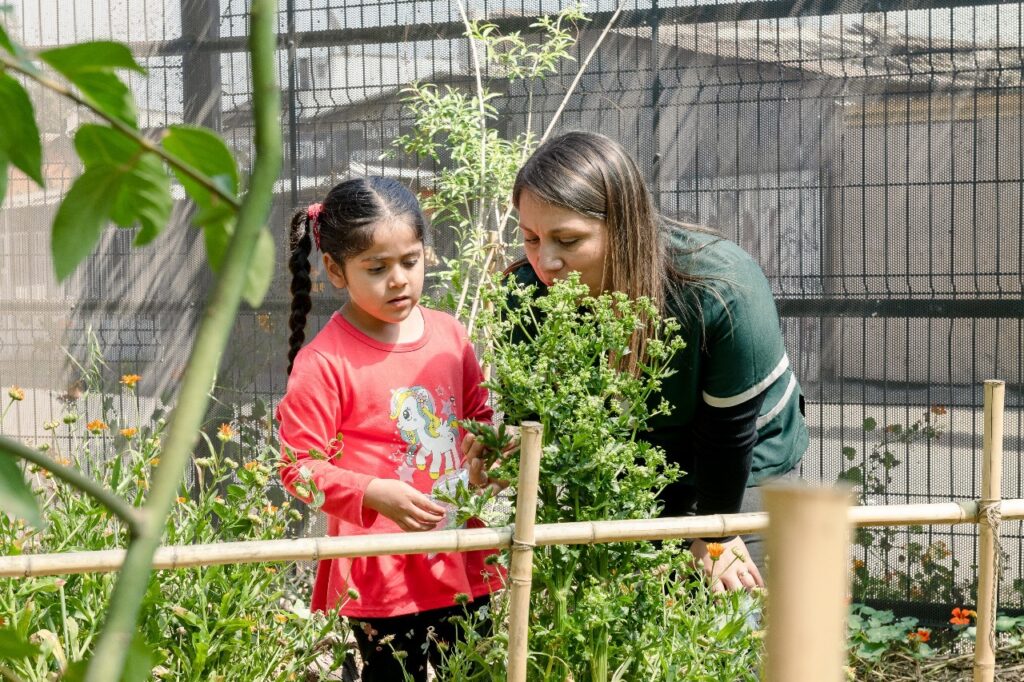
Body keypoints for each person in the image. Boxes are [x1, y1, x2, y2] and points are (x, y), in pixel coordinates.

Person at [469, 131, 808, 593]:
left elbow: (729, 434)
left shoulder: (719, 289)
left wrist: (717, 535)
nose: (545, 261)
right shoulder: (525, 298)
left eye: (568, 240)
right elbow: (531, 415)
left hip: (743, 462)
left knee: (733, 613)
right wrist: (510, 439)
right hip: (633, 466)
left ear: (623, 226)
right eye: (530, 238)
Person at [276, 177, 501, 681]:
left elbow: (477, 420)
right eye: (376, 268)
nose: (398, 279)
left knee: (474, 672)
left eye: (410, 261)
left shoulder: (450, 335)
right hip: (380, 572)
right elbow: (297, 468)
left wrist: (490, 456)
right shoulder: (325, 362)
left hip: (459, 553)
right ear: (334, 269)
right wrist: (373, 492)